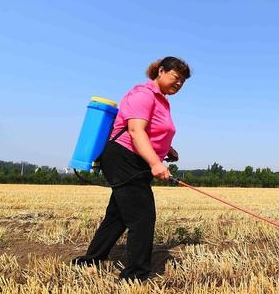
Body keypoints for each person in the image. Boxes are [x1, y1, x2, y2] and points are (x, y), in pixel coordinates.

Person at [72, 56, 191, 281]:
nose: (179, 84)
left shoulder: (161, 99)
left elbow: (150, 129)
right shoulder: (143, 94)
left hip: (134, 160)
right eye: (176, 78)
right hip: (124, 158)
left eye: (183, 82)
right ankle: (135, 274)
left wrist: (167, 148)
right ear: (161, 71)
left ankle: (90, 260)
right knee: (142, 216)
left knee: (118, 215)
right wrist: (156, 163)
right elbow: (136, 131)